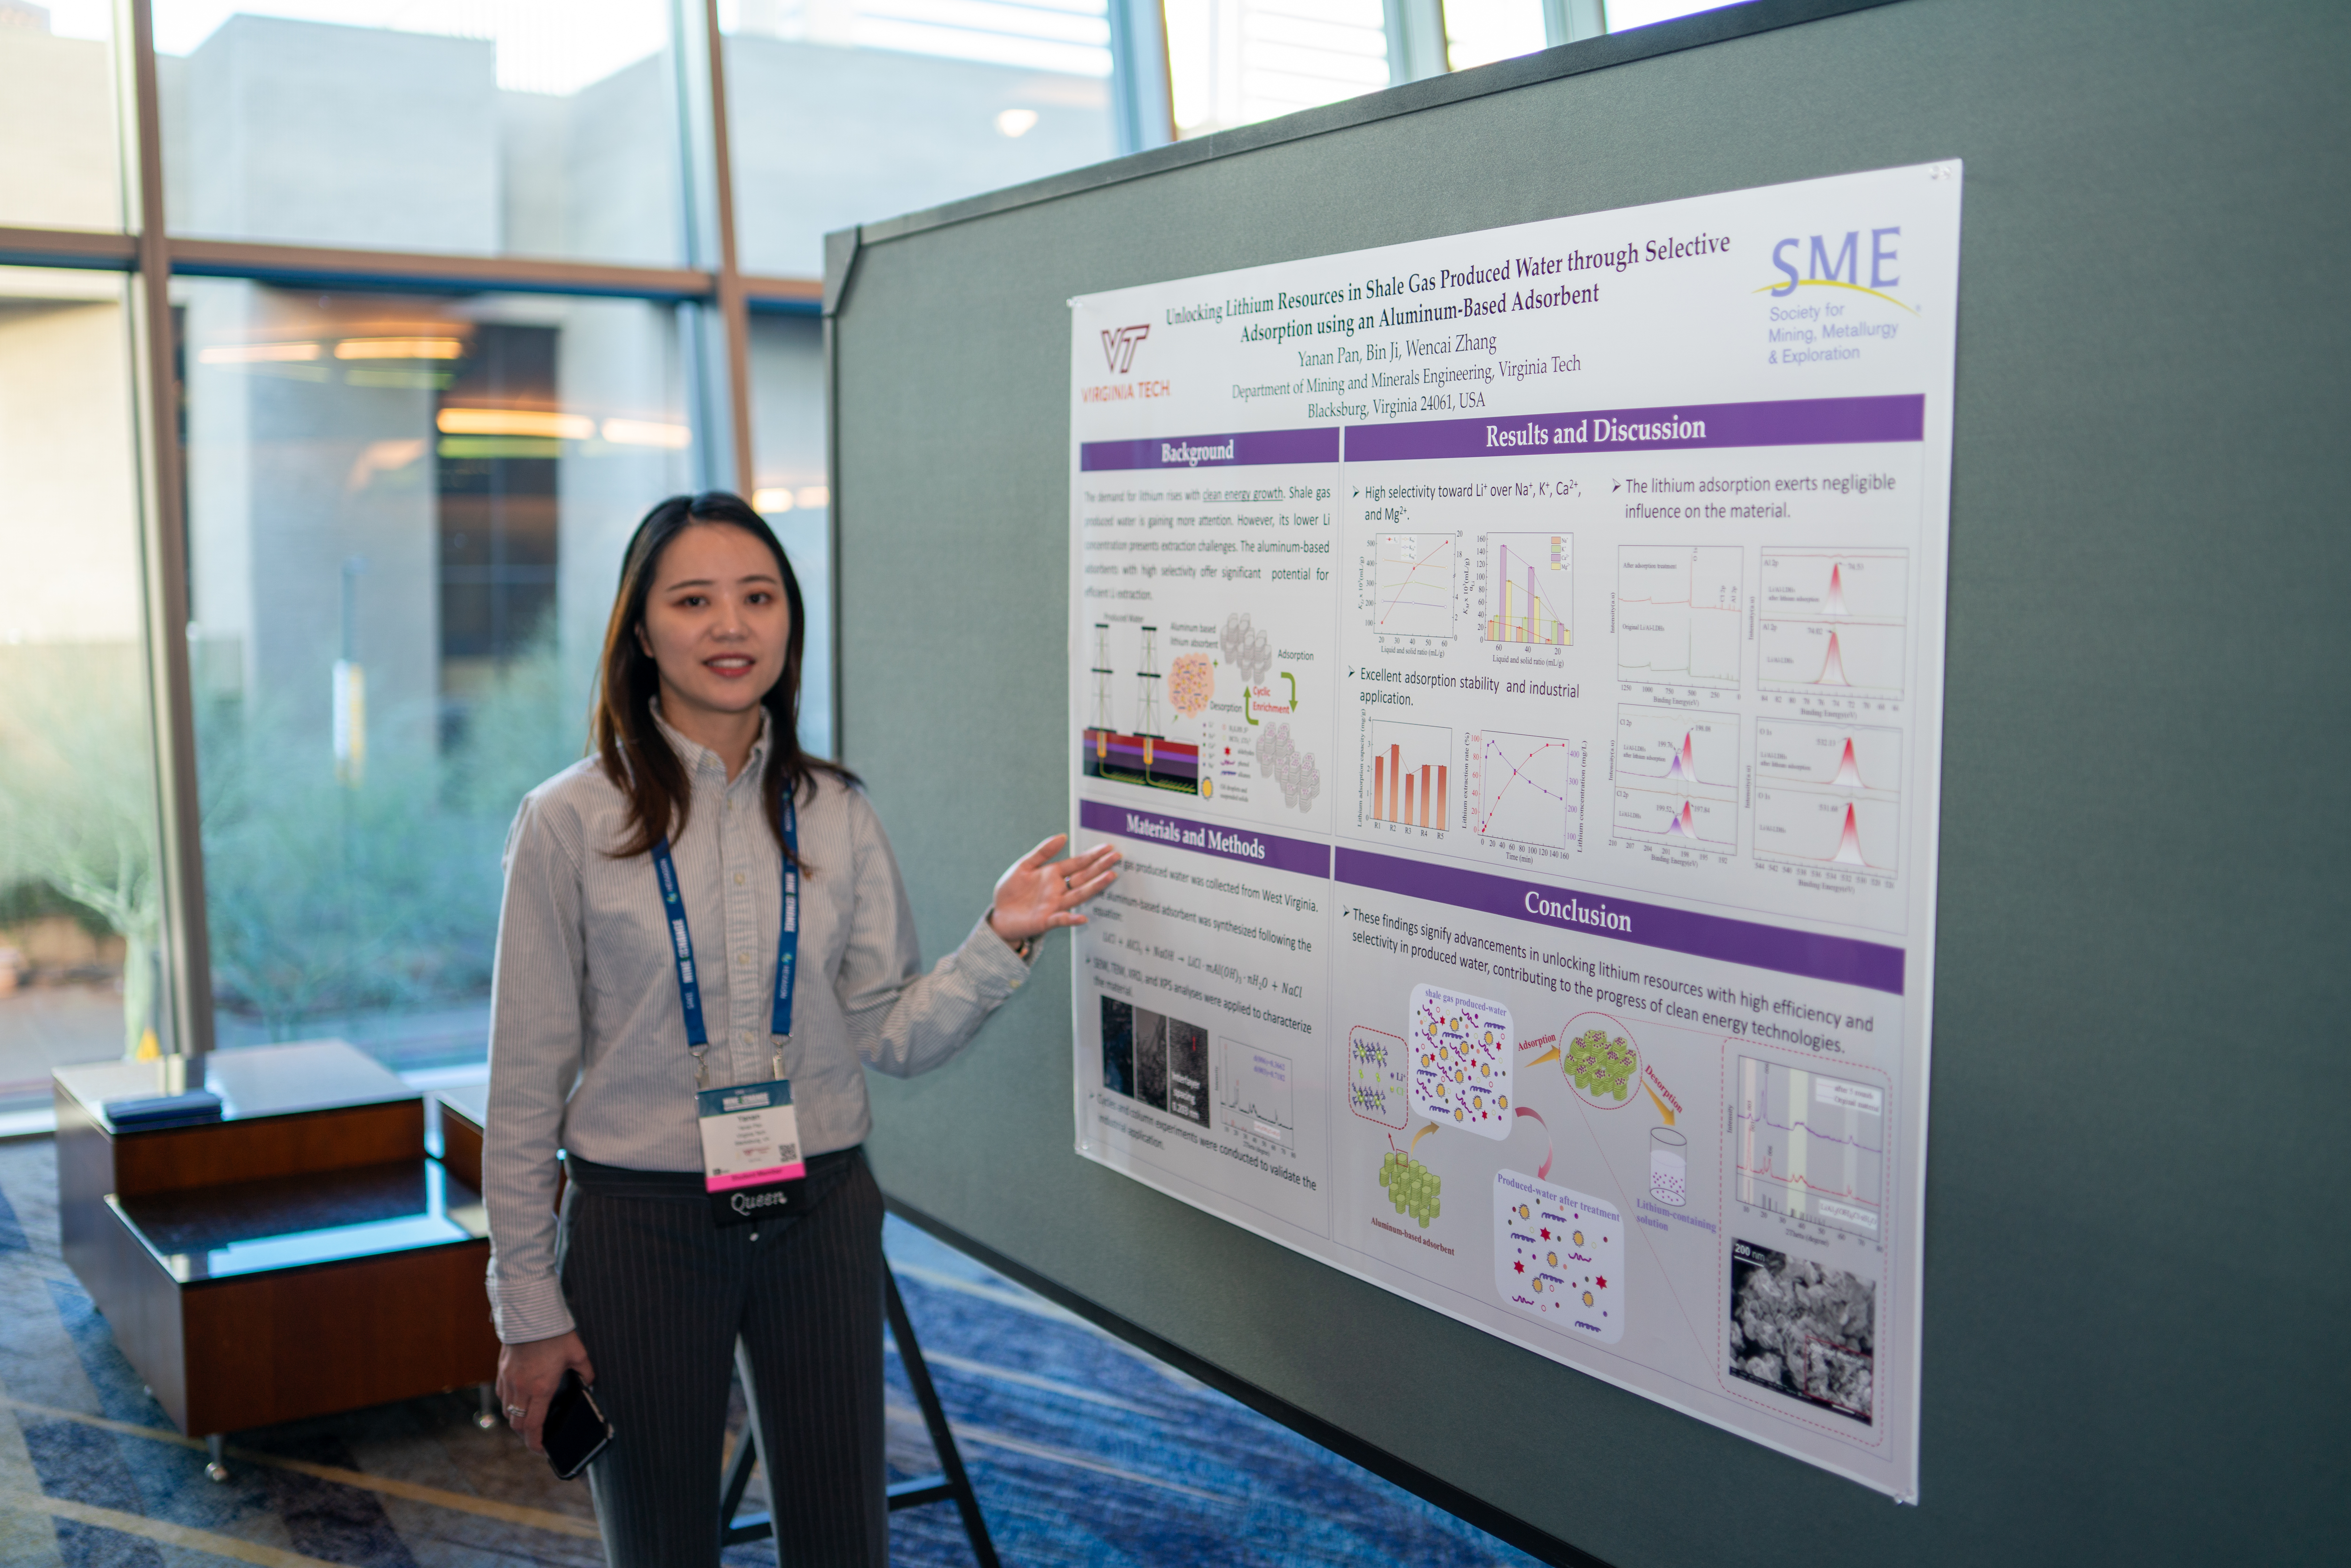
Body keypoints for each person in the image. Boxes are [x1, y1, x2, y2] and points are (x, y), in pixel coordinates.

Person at [482, 491, 1117, 1566]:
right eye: (694, 600)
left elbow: (894, 1032)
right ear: (641, 632)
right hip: (641, 1226)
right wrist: (527, 1306)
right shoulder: (567, 821)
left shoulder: (836, 810)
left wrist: (997, 940)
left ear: (790, 621)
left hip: (818, 1210)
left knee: (842, 1542)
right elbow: (521, 1091)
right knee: (662, 1544)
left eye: (758, 597)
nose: (732, 626)